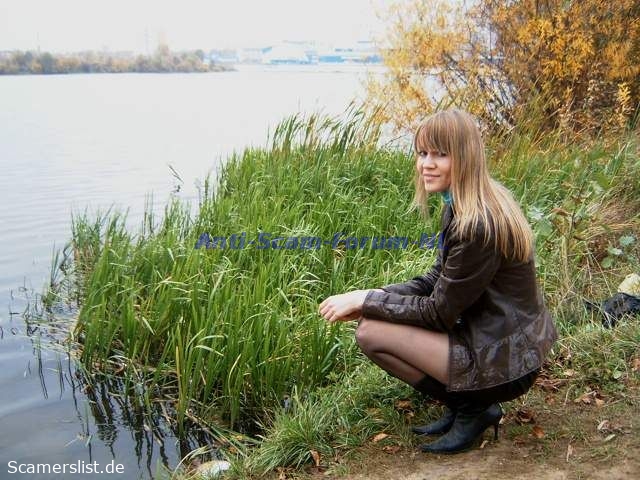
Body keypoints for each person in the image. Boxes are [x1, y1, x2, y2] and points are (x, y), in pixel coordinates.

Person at [318, 109, 558, 454]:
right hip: (504, 345)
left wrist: (367, 302)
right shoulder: (466, 202)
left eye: (440, 154)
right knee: (371, 324)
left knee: (371, 333)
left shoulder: (477, 224)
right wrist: (375, 294)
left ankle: (474, 408)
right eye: (422, 153)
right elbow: (437, 278)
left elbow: (437, 313)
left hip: (506, 361)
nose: (426, 164)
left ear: (465, 156)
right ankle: (469, 406)